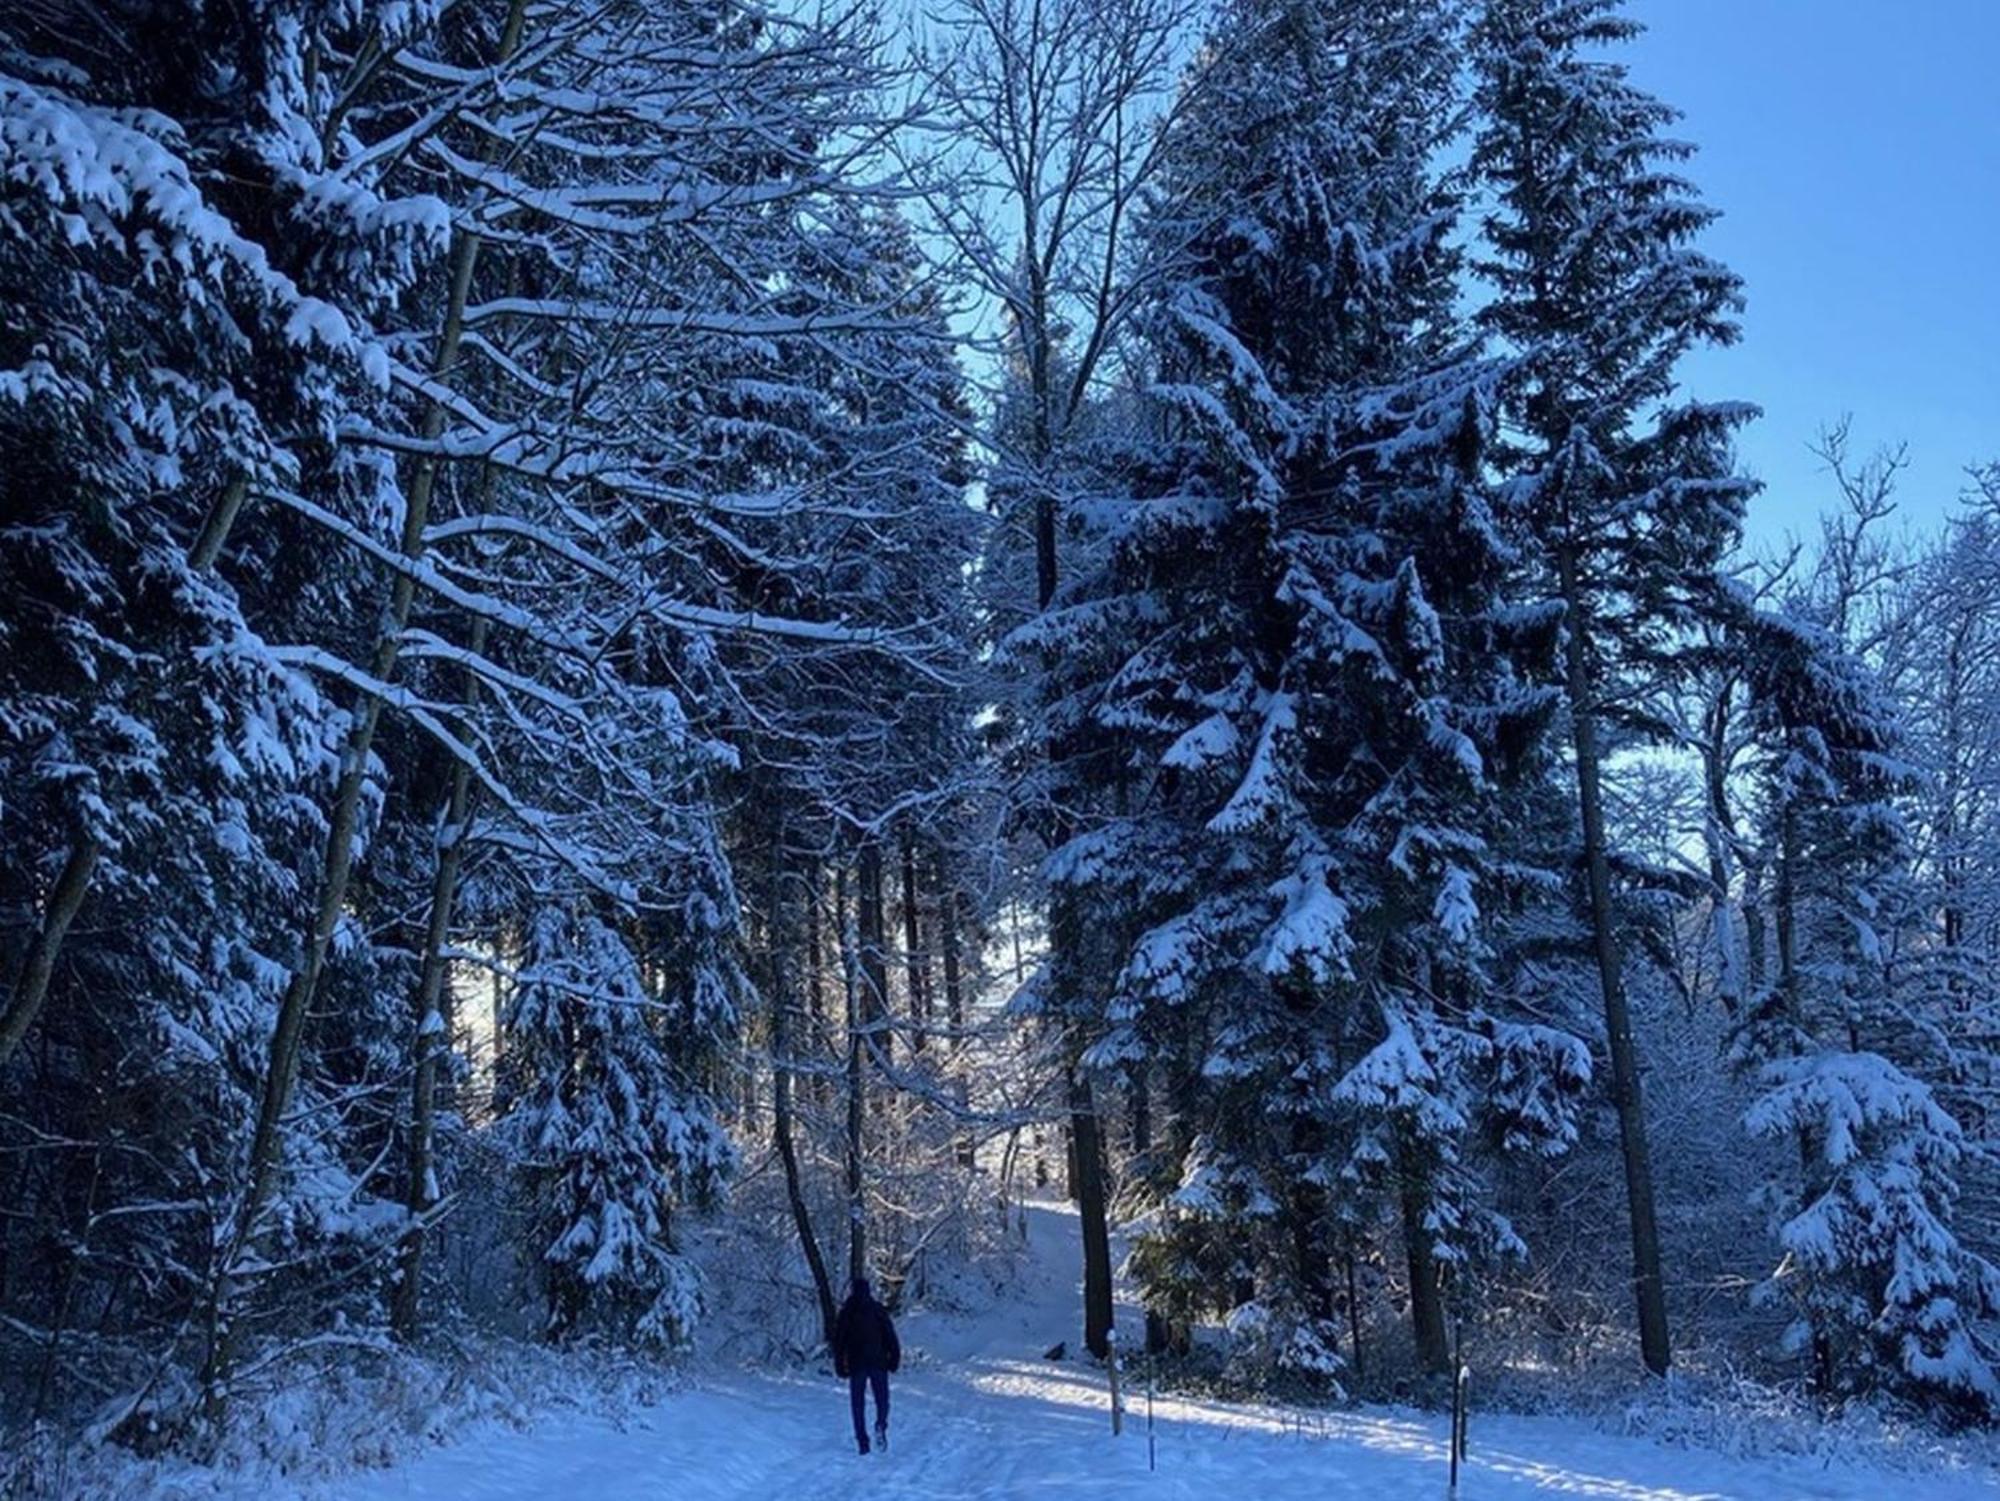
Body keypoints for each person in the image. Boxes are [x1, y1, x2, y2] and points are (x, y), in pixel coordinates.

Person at [832, 1276, 900, 1455]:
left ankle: (862, 1441)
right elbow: (889, 1335)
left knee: (857, 1404)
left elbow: (839, 1342)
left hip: (857, 1363)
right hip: (878, 1362)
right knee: (882, 1399)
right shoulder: (877, 1310)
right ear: (868, 1291)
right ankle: (880, 1424)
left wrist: (840, 1363)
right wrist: (894, 1358)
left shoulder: (847, 1312)